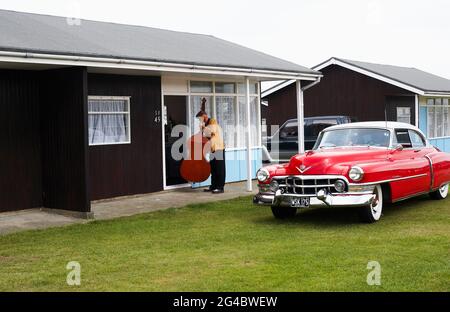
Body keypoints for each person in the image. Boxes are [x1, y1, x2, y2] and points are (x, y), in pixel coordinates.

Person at [196, 108, 226, 194]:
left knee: (220, 169)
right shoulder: (205, 124)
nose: (199, 120)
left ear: (204, 116)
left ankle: (220, 187)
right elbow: (205, 136)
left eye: (199, 118)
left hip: (218, 147)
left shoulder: (213, 121)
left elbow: (212, 132)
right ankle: (213, 186)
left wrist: (203, 127)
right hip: (212, 148)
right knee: (213, 169)